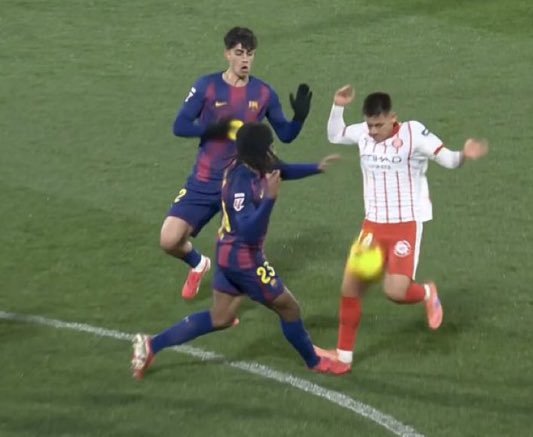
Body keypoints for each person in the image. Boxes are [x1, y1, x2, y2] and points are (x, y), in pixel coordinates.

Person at [131, 123, 349, 379]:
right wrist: (269, 199)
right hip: (243, 259)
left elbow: (280, 169)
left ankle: (152, 345)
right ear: (259, 151)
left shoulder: (254, 163)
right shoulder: (240, 183)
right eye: (269, 145)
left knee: (221, 317)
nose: (273, 149)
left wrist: (316, 167)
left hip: (227, 252)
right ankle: (315, 361)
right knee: (289, 308)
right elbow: (248, 231)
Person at [314, 85, 488, 368]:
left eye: (378, 125)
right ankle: (343, 357)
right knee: (350, 288)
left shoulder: (414, 133)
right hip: (372, 226)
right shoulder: (363, 133)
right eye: (370, 125)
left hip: (405, 225)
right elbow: (335, 134)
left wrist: (464, 155)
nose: (373, 131)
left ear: (392, 117)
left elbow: (449, 160)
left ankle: (427, 292)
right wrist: (338, 105)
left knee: (395, 292)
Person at [163, 26, 312, 300]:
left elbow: (286, 135)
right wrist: (213, 129)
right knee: (169, 240)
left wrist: (299, 118)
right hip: (204, 180)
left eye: (250, 54)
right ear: (227, 54)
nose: (245, 60)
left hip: (240, 184)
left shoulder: (264, 93)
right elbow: (179, 126)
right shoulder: (207, 86)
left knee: (236, 258)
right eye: (239, 53)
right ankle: (198, 263)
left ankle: (229, 310)